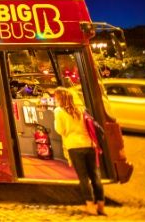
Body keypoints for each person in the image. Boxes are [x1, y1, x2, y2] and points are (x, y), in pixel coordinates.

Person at [54, 87, 105, 216]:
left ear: (59, 98)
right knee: (95, 176)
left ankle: (90, 206)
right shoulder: (81, 110)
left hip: (74, 147)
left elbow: (60, 130)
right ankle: (100, 206)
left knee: (83, 178)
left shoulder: (59, 112)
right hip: (89, 145)